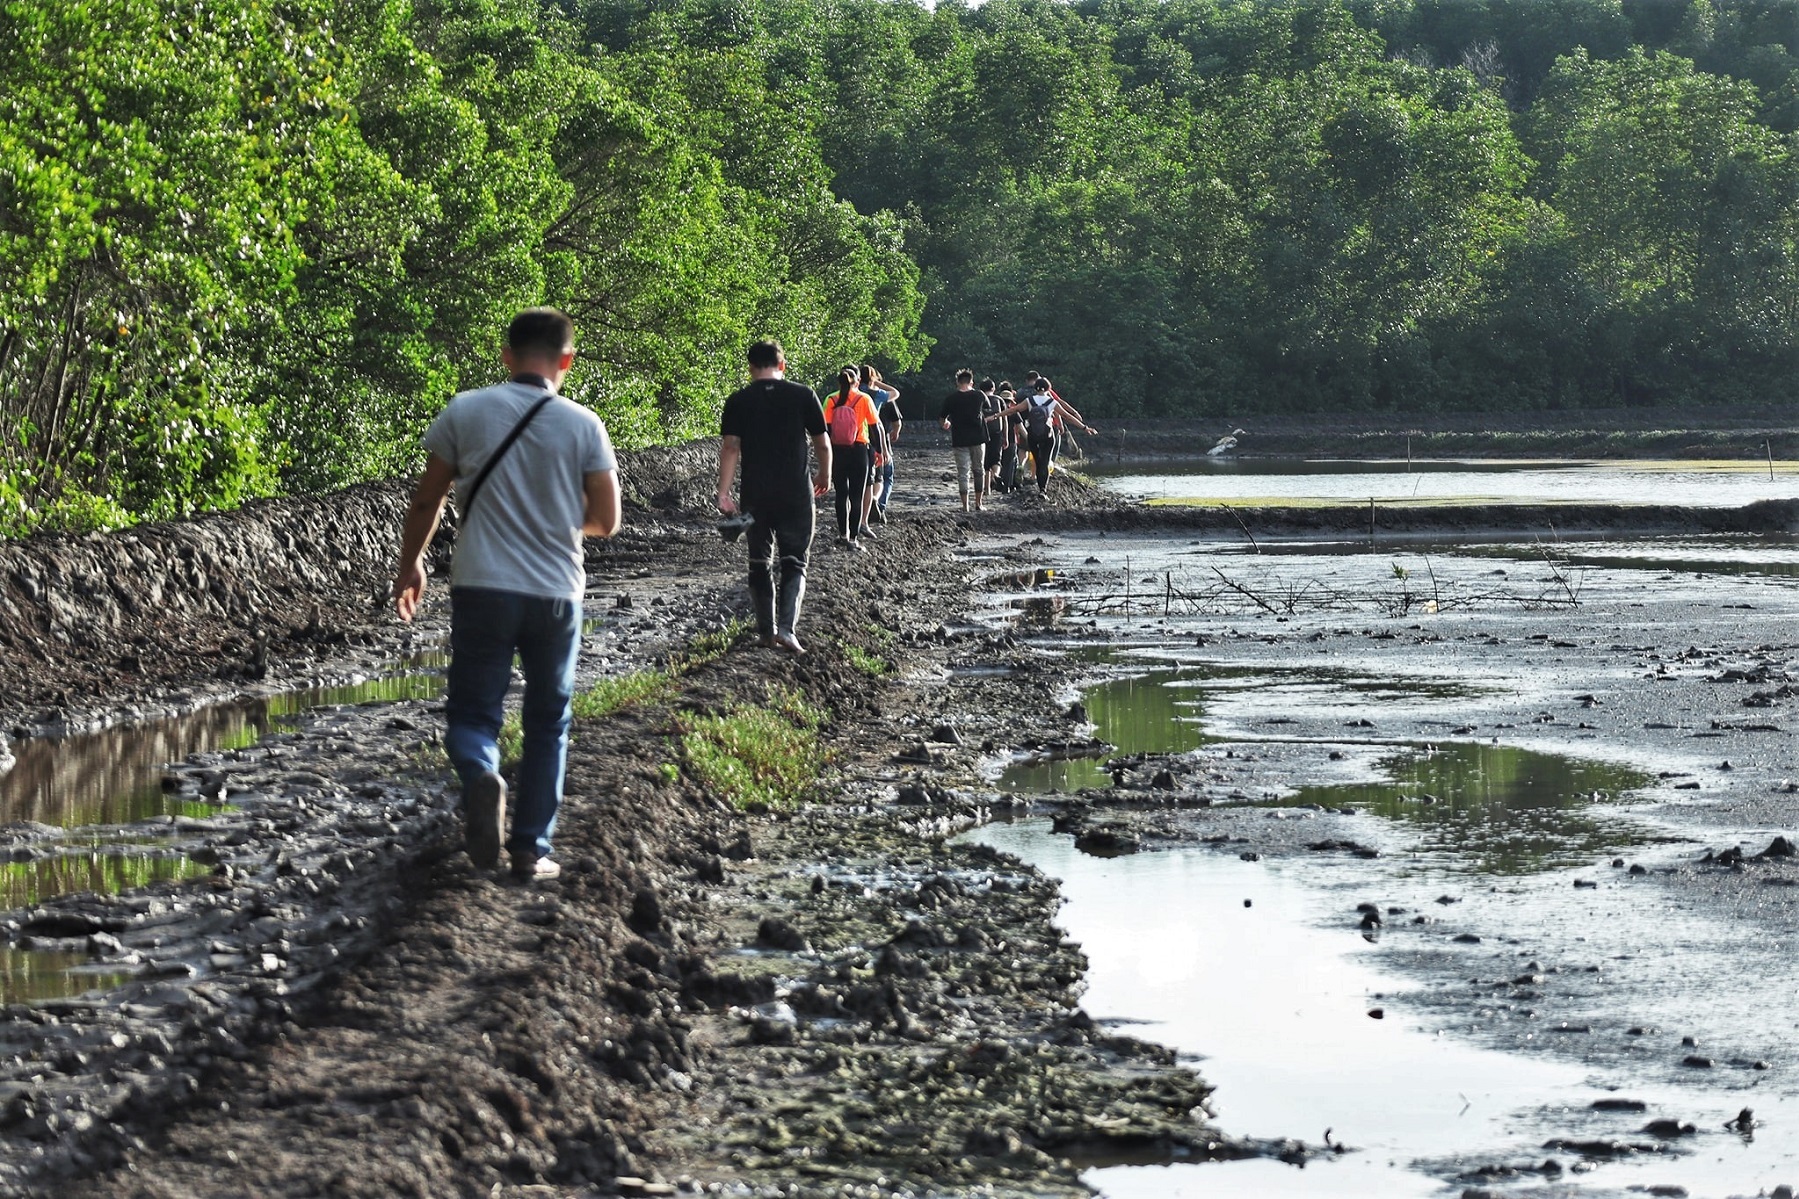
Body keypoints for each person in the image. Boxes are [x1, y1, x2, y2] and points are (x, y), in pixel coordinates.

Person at [392, 307, 621, 882]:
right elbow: (608, 519)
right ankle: (530, 848)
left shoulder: (466, 411)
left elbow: (428, 500)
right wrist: (562, 523)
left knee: (473, 711)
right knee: (549, 720)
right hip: (555, 592)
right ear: (567, 360)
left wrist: (412, 565)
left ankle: (479, 774)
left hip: (481, 585)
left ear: (506, 355)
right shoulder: (583, 425)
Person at [717, 339, 830, 654]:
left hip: (756, 494)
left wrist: (724, 493)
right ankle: (787, 631)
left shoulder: (738, 400)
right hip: (795, 492)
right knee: (794, 561)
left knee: (759, 562)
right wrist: (825, 475)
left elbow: (730, 447)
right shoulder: (803, 395)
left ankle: (765, 633)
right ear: (782, 365)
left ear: (751, 368)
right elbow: (822, 441)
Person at [1007, 377, 1096, 497]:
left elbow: (1015, 409)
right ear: (1048, 388)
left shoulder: (1028, 398)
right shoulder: (1051, 401)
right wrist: (1084, 427)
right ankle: (1043, 490)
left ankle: (1025, 469)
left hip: (1031, 432)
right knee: (1045, 461)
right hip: (1048, 433)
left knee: (1035, 460)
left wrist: (996, 415)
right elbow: (1065, 415)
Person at [824, 366, 880, 550]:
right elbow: (874, 427)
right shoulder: (864, 399)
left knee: (841, 494)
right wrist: (879, 451)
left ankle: (843, 534)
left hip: (837, 451)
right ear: (857, 381)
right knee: (856, 496)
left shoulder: (831, 399)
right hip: (859, 450)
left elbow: (826, 429)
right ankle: (854, 538)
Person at [938, 367, 988, 511]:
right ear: (971, 382)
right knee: (979, 470)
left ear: (957, 382)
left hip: (959, 438)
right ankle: (979, 504)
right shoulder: (979, 395)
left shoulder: (951, 398)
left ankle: (965, 505)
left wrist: (946, 423)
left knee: (963, 473)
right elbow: (987, 408)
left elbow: (942, 419)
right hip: (978, 438)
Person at [862, 365, 902, 523]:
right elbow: (896, 393)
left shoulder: (852, 394)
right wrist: (878, 383)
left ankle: (862, 513)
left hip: (857, 438)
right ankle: (877, 502)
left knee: (863, 478)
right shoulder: (877, 394)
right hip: (876, 437)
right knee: (882, 477)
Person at [979, 377, 1005, 496]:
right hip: (997, 432)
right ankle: (996, 475)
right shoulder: (999, 400)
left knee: (985, 462)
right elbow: (1004, 418)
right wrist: (1005, 436)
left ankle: (987, 489)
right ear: (993, 388)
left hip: (982, 433)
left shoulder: (979, 399)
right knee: (996, 459)